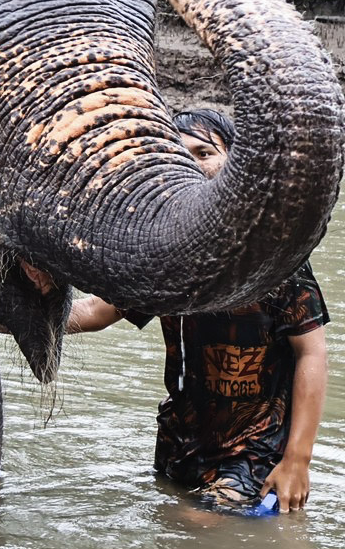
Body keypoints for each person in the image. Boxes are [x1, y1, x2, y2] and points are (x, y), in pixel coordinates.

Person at [67, 108, 329, 514]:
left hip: (255, 447)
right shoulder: (163, 257)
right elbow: (97, 312)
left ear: (236, 165)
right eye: (179, 155)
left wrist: (298, 460)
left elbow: (310, 352)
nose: (191, 164)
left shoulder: (272, 255)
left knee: (199, 525)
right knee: (173, 535)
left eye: (204, 152)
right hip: (179, 441)